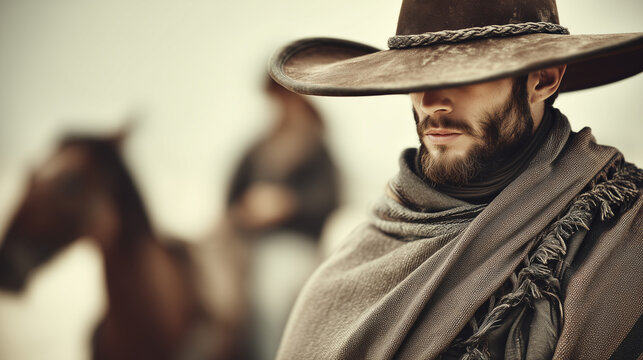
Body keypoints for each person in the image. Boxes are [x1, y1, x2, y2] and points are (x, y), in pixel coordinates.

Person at [267, 0, 643, 359]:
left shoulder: (622, 232)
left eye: (466, 75)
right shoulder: (363, 251)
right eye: (417, 78)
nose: (431, 102)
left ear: (542, 80)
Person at [224, 75, 340, 360]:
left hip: (294, 246)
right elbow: (229, 199)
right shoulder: (256, 149)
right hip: (242, 246)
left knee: (270, 295)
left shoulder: (316, 148)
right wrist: (246, 211)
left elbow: (330, 198)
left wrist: (287, 204)